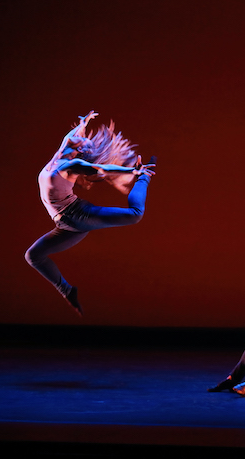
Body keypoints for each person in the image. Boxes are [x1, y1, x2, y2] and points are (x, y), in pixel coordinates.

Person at [24, 110, 155, 316]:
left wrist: (132, 171)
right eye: (83, 138)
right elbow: (72, 134)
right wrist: (84, 122)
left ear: (80, 152)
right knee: (33, 256)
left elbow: (99, 167)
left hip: (77, 216)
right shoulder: (63, 148)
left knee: (135, 214)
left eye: (85, 143)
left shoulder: (72, 165)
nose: (83, 138)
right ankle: (67, 291)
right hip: (66, 226)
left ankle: (144, 177)